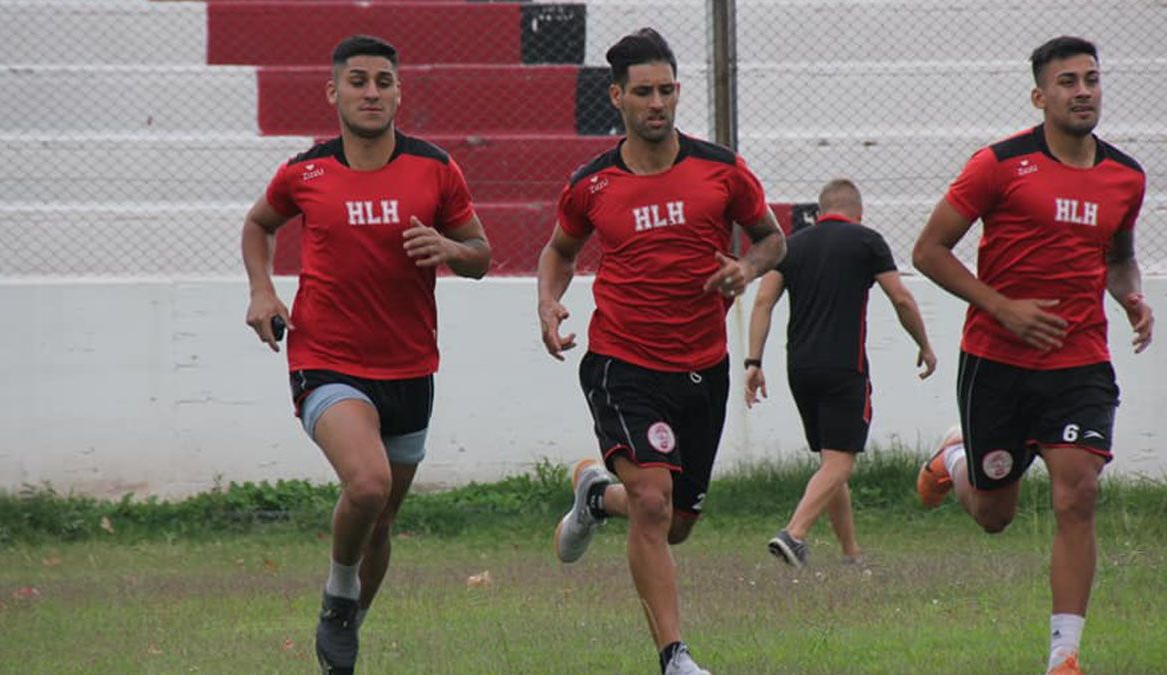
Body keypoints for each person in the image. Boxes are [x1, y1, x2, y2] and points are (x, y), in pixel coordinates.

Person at [537, 28, 786, 675]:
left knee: (672, 521)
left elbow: (772, 240)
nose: (657, 102)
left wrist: (747, 266)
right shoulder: (592, 184)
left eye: (667, 90)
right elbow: (560, 252)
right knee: (652, 501)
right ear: (616, 96)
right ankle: (675, 657)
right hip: (623, 360)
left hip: (703, 366)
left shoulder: (721, 170)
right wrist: (548, 300)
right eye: (643, 92)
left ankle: (596, 495)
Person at [240, 35, 491, 675]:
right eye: (358, 81)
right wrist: (263, 288)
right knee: (368, 484)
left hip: (410, 367)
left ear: (399, 92)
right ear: (334, 92)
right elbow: (258, 225)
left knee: (380, 522)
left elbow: (481, 256)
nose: (372, 91)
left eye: (384, 80)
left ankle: (339, 646)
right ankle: (337, 596)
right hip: (325, 357)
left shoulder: (436, 169)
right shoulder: (306, 172)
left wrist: (451, 250)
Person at [911, 36, 1152, 675]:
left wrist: (1130, 297)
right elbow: (928, 251)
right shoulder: (997, 165)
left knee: (1079, 495)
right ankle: (957, 457)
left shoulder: (1126, 176)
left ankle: (1064, 656)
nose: (1083, 92)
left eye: (1092, 79)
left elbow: (1118, 257)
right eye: (1068, 81)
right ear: (1040, 95)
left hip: (1079, 363)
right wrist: (1002, 306)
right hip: (997, 361)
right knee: (995, 513)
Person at [744, 178, 936, 567]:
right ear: (859, 213)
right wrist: (924, 343)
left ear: (819, 212)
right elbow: (899, 296)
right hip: (844, 366)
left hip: (799, 367)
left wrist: (753, 362)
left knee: (830, 462)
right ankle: (794, 535)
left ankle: (851, 553)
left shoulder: (791, 244)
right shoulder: (867, 241)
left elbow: (763, 300)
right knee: (840, 462)